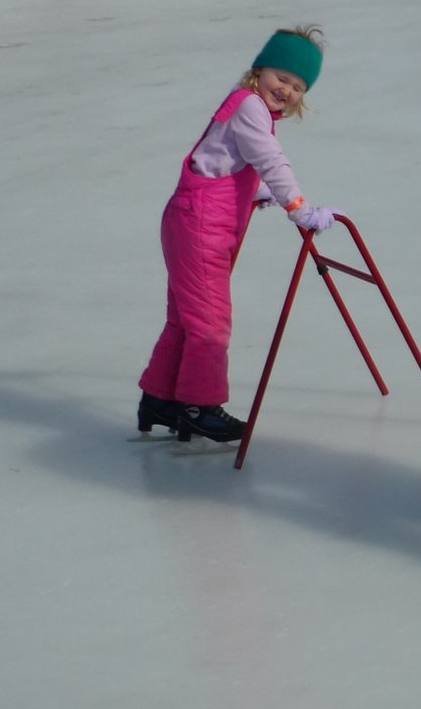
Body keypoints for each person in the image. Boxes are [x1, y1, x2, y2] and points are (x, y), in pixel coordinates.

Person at [136, 27, 339, 443]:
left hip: (196, 220)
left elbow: (222, 158)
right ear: (260, 69)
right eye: (281, 77)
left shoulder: (246, 104)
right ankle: (199, 406)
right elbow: (270, 159)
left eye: (298, 87)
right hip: (201, 225)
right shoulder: (250, 107)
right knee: (211, 324)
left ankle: (160, 399)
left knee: (187, 319)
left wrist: (255, 191)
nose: (286, 90)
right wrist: (299, 209)